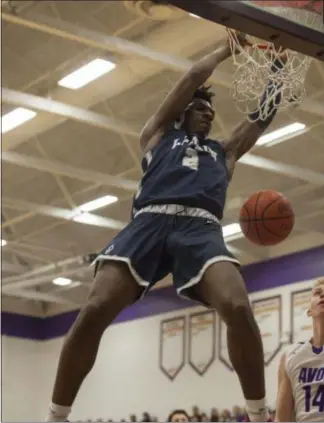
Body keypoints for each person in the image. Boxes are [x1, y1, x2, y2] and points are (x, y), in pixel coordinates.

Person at [46, 33, 283, 422]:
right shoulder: (156, 136)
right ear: (181, 113)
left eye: (210, 110)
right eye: (199, 107)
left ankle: (258, 415)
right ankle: (56, 416)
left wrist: (277, 69)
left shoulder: (223, 153)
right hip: (149, 223)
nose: (208, 113)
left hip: (201, 230)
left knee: (238, 307)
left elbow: (261, 117)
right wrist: (228, 47)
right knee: (95, 308)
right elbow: (191, 76)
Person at [275, 278, 324, 422]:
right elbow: (282, 419)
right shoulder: (291, 355)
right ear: (309, 311)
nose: (322, 295)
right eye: (317, 293)